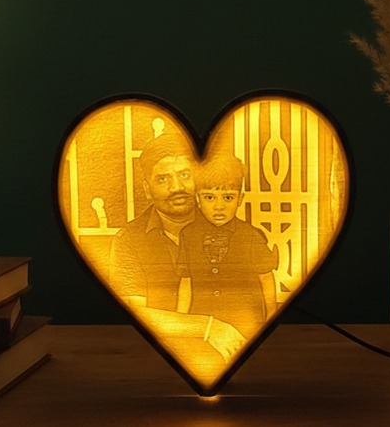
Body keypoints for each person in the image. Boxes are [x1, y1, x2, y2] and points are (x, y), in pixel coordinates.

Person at [109, 133, 245, 363]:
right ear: (147, 189)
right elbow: (133, 313)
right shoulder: (128, 240)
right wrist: (208, 327)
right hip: (153, 357)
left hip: (228, 355)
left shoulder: (229, 229)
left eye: (184, 175)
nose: (177, 187)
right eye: (163, 179)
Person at [176, 153, 278, 339]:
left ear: (240, 198)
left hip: (245, 324)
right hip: (203, 324)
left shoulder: (251, 236)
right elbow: (186, 282)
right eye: (209, 197)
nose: (219, 206)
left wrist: (271, 316)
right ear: (197, 199)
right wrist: (182, 322)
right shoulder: (188, 235)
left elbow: (266, 279)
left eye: (228, 198)